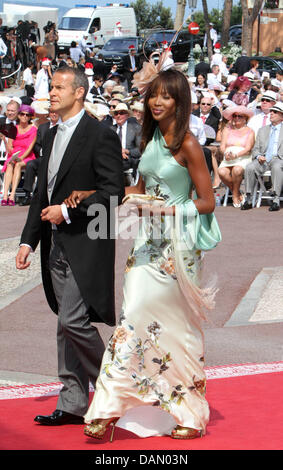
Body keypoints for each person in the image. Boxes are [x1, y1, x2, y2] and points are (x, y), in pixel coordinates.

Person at [80, 68, 221, 441]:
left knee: (176, 326)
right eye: (153, 95)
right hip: (145, 242)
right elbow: (138, 188)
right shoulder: (152, 139)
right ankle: (109, 407)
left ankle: (188, 412)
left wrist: (168, 210)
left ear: (180, 101)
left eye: (166, 97)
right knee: (133, 318)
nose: (157, 102)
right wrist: (91, 193)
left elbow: (207, 202)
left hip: (177, 247)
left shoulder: (189, 144)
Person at [15, 66, 124, 425]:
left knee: (73, 320)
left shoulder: (100, 135)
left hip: (88, 240)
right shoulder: (48, 133)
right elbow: (41, 194)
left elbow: (113, 192)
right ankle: (74, 402)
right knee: (65, 324)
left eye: (60, 87)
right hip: (54, 242)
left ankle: (116, 386)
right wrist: (28, 241)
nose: (53, 92)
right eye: (53, 87)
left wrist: (67, 209)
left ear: (79, 92)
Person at [242, 101, 283, 212]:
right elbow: (255, 149)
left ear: (281, 116)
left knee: (277, 166)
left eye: (275, 112)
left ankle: (276, 200)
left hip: (279, 158)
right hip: (263, 159)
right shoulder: (262, 130)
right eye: (271, 111)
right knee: (250, 167)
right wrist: (259, 156)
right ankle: (249, 199)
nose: (271, 114)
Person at [19, 110, 60, 206]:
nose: (54, 114)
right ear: (49, 114)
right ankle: (27, 195)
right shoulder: (43, 127)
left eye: (56, 113)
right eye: (52, 112)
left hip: (57, 158)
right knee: (31, 164)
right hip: (44, 157)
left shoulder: (62, 127)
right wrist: (42, 150)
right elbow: (36, 145)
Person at [218, 105, 255, 208]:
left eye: (240, 116)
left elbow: (248, 148)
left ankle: (234, 196)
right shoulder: (227, 129)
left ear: (245, 119)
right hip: (228, 157)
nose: (237, 118)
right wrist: (225, 153)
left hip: (242, 157)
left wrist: (236, 155)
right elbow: (222, 146)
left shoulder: (250, 131)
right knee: (221, 172)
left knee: (237, 170)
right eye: (235, 116)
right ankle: (238, 193)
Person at [1, 105, 37, 206]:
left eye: (27, 115)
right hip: (14, 154)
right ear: (19, 115)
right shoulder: (13, 128)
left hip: (27, 155)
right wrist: (5, 141)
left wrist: (21, 157)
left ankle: (12, 195)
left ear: (30, 117)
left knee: (18, 165)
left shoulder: (33, 129)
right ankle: (5, 196)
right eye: (22, 114)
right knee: (9, 164)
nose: (24, 116)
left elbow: (30, 147)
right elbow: (10, 147)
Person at [111, 102, 141, 184]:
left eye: (121, 113)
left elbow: (140, 150)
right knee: (114, 194)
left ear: (127, 115)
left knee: (127, 192)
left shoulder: (136, 129)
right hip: (113, 166)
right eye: (116, 113)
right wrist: (118, 151)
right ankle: (114, 197)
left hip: (129, 165)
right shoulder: (110, 130)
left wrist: (126, 151)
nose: (118, 116)